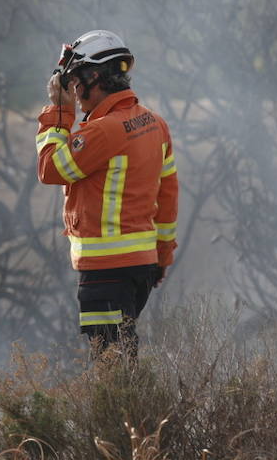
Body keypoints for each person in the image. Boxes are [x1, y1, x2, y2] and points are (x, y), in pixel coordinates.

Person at [35, 30, 178, 358]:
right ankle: (135, 409)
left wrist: (59, 114)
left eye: (73, 80)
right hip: (141, 266)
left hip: (106, 269)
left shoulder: (103, 131)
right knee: (121, 354)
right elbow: (168, 196)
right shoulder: (155, 124)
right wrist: (162, 256)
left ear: (93, 77)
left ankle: (124, 411)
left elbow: (51, 169)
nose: (72, 90)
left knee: (111, 364)